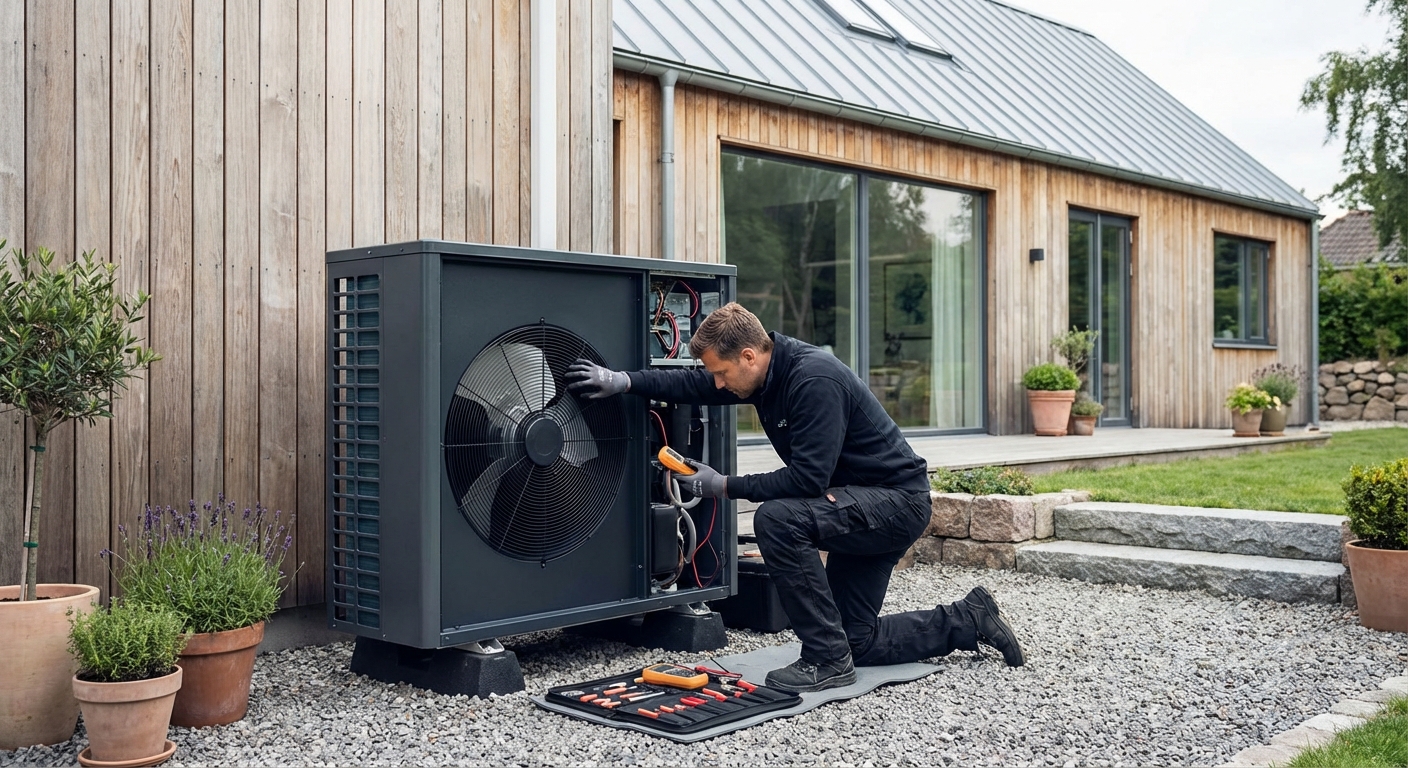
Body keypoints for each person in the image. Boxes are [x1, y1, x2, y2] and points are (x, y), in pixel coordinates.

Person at [566, 303, 1024, 693]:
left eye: (723, 373)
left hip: (893, 504)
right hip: (857, 504)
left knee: (778, 519)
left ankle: (825, 662)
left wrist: (725, 486)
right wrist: (622, 381)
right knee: (856, 640)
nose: (719, 385)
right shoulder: (763, 373)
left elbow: (808, 479)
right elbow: (694, 384)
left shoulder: (812, 380)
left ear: (748, 356)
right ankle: (967, 618)